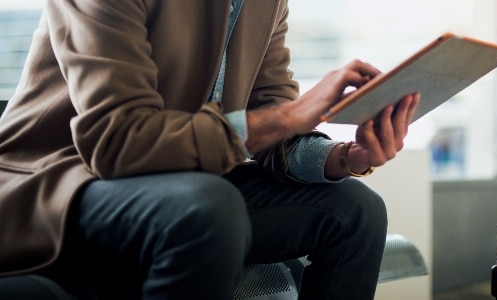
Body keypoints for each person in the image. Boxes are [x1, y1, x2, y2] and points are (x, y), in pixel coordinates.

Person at [0, 0, 419, 299]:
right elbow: (118, 142)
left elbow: (273, 124)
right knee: (206, 207)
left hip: (189, 180)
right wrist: (290, 115)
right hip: (63, 181)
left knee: (355, 209)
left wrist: (346, 158)